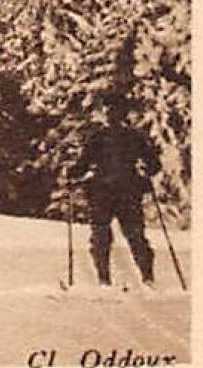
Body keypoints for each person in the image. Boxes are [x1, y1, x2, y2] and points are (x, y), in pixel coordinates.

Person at [67, 93, 162, 291]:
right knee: (132, 235)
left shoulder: (100, 137)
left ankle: (107, 280)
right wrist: (145, 172)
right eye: (109, 110)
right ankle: (146, 278)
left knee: (105, 236)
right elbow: (154, 164)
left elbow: (82, 164)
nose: (110, 114)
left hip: (105, 192)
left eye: (112, 110)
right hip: (124, 191)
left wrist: (72, 173)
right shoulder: (133, 136)